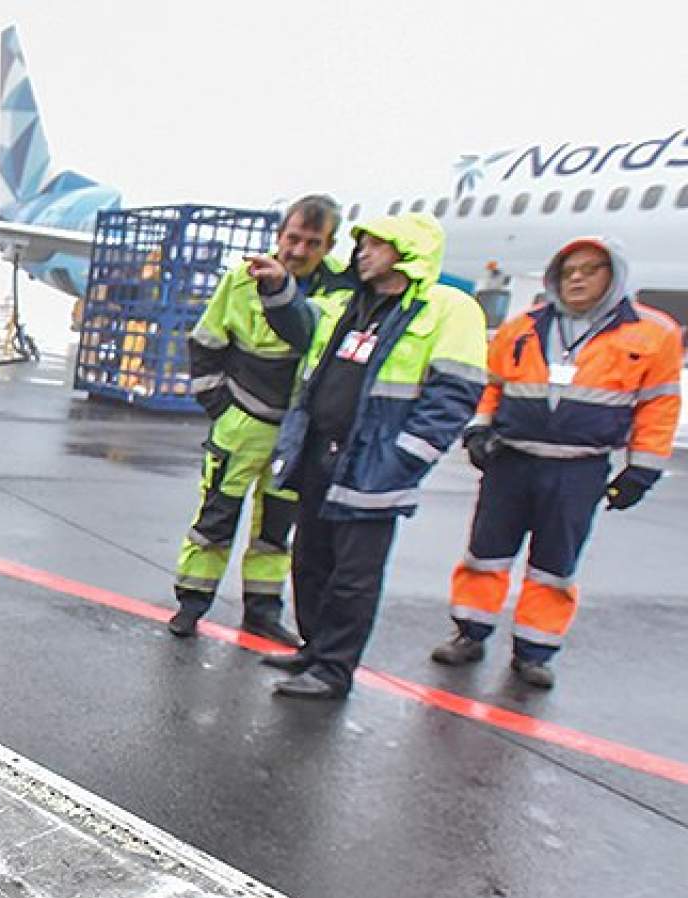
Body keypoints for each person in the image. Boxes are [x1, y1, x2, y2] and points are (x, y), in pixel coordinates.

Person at [247, 213, 488, 699]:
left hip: (373, 464)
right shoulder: (348, 304)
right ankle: (314, 651)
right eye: (363, 245)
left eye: (378, 245)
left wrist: (403, 459)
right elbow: (301, 326)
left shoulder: (446, 309)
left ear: (408, 253)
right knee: (311, 562)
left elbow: (454, 395)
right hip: (319, 455)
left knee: (353, 576)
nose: (363, 253)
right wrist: (277, 287)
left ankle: (334, 670)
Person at [430, 237, 681, 688]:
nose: (578, 278)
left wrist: (642, 468)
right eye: (570, 271)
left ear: (615, 275)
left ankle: (534, 651)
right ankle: (469, 632)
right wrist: (479, 430)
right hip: (512, 459)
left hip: (578, 467)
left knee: (554, 563)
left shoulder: (653, 333)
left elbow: (659, 406)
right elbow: (492, 383)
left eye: (591, 269)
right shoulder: (522, 326)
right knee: (486, 552)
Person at [170, 195, 352, 643]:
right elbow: (206, 342)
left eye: (312, 242)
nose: (298, 250)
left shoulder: (343, 290)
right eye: (292, 238)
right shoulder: (240, 280)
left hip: (297, 432)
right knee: (214, 517)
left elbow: (309, 334)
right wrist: (220, 406)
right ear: (278, 236)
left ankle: (262, 610)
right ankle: (191, 604)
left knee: (276, 527)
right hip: (243, 422)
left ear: (328, 246)